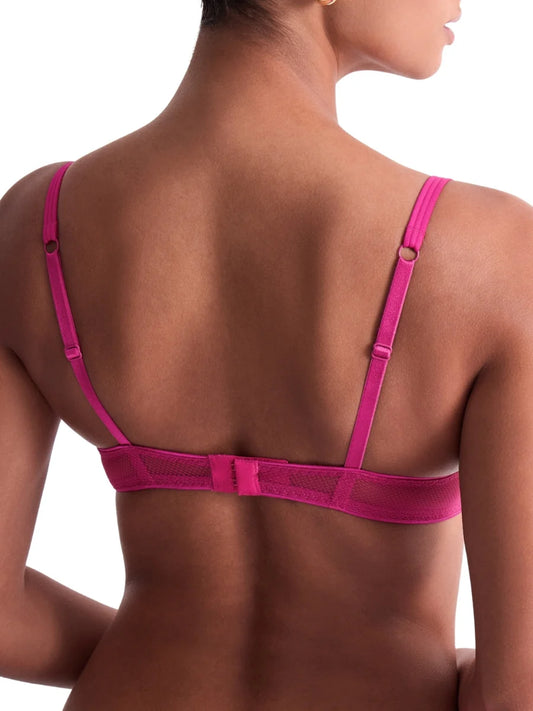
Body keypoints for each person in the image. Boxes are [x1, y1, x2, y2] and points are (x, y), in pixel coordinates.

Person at [0, 1, 532, 709]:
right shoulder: (491, 256)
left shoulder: (33, 224)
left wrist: (162, 648)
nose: (457, 3)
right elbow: (518, 691)